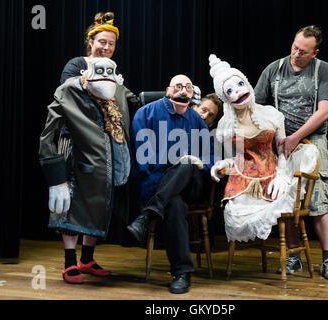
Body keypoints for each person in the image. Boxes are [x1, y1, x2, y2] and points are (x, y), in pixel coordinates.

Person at [53, 12, 139, 284]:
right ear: (90, 41)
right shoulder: (77, 65)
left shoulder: (112, 72)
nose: (106, 48)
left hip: (106, 145)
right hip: (77, 141)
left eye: (111, 44)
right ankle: (69, 262)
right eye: (102, 41)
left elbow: (126, 101)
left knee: (99, 199)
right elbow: (67, 96)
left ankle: (87, 258)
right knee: (74, 199)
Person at [253, 25, 328, 280]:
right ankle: (294, 257)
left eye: (303, 52)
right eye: (294, 48)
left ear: (315, 53)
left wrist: (296, 137)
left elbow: (325, 111)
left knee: (319, 196)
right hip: (282, 141)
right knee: (287, 197)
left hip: (312, 140)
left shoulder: (323, 70)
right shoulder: (275, 69)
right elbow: (256, 104)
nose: (296, 54)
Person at [208, 54, 318, 244]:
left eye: (240, 85)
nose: (238, 92)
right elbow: (231, 158)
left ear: (247, 83)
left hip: (272, 175)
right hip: (243, 180)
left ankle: (293, 254)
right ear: (224, 97)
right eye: (230, 90)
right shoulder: (226, 126)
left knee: (285, 197)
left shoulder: (271, 115)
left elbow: (283, 149)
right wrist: (221, 163)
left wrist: (282, 175)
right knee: (235, 215)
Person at [39, 57, 131, 284]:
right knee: (72, 208)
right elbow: (48, 135)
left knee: (97, 205)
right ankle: (69, 262)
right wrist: (56, 178)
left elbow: (135, 100)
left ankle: (87, 259)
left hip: (104, 162)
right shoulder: (70, 90)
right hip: (76, 155)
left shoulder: (116, 90)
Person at [127, 74, 215, 294]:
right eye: (178, 87)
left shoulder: (196, 120)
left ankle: (146, 217)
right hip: (154, 184)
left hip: (188, 186)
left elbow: (210, 156)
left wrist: (198, 164)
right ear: (168, 90)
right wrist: (172, 167)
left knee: (186, 163)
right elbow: (143, 159)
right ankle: (182, 272)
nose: (183, 91)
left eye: (188, 88)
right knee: (174, 206)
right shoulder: (145, 114)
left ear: (192, 94)